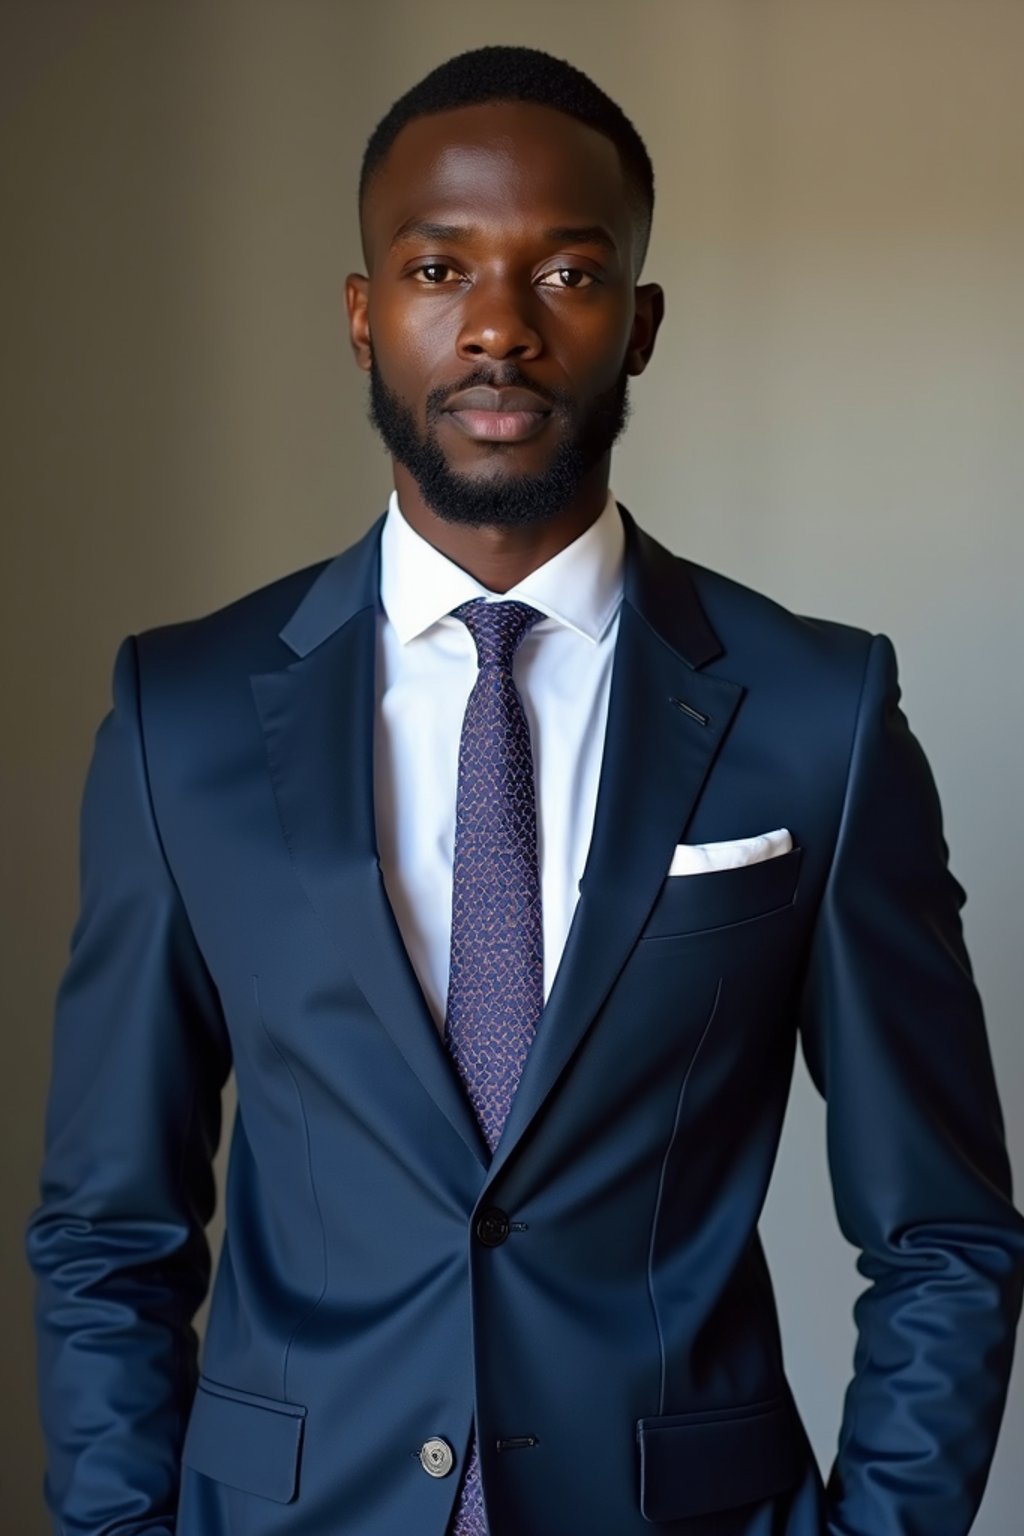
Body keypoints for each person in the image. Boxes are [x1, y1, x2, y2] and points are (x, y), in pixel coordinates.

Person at [26, 44, 1023, 1536]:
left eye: (566, 274)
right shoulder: (182, 714)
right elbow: (109, 1230)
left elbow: (944, 1230)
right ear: (364, 320)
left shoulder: (823, 713)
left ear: (641, 324)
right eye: (439, 269)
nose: (498, 327)